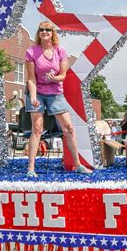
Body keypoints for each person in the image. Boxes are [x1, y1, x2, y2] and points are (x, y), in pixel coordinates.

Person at [25, 21, 92, 177]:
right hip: (37, 93)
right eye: (41, 29)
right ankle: (31, 169)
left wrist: (54, 78)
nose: (44, 31)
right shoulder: (31, 52)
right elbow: (31, 78)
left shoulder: (60, 51)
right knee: (37, 128)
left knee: (68, 128)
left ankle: (78, 165)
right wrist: (33, 97)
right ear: (39, 33)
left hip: (55, 93)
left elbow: (63, 75)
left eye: (48, 29)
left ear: (53, 33)